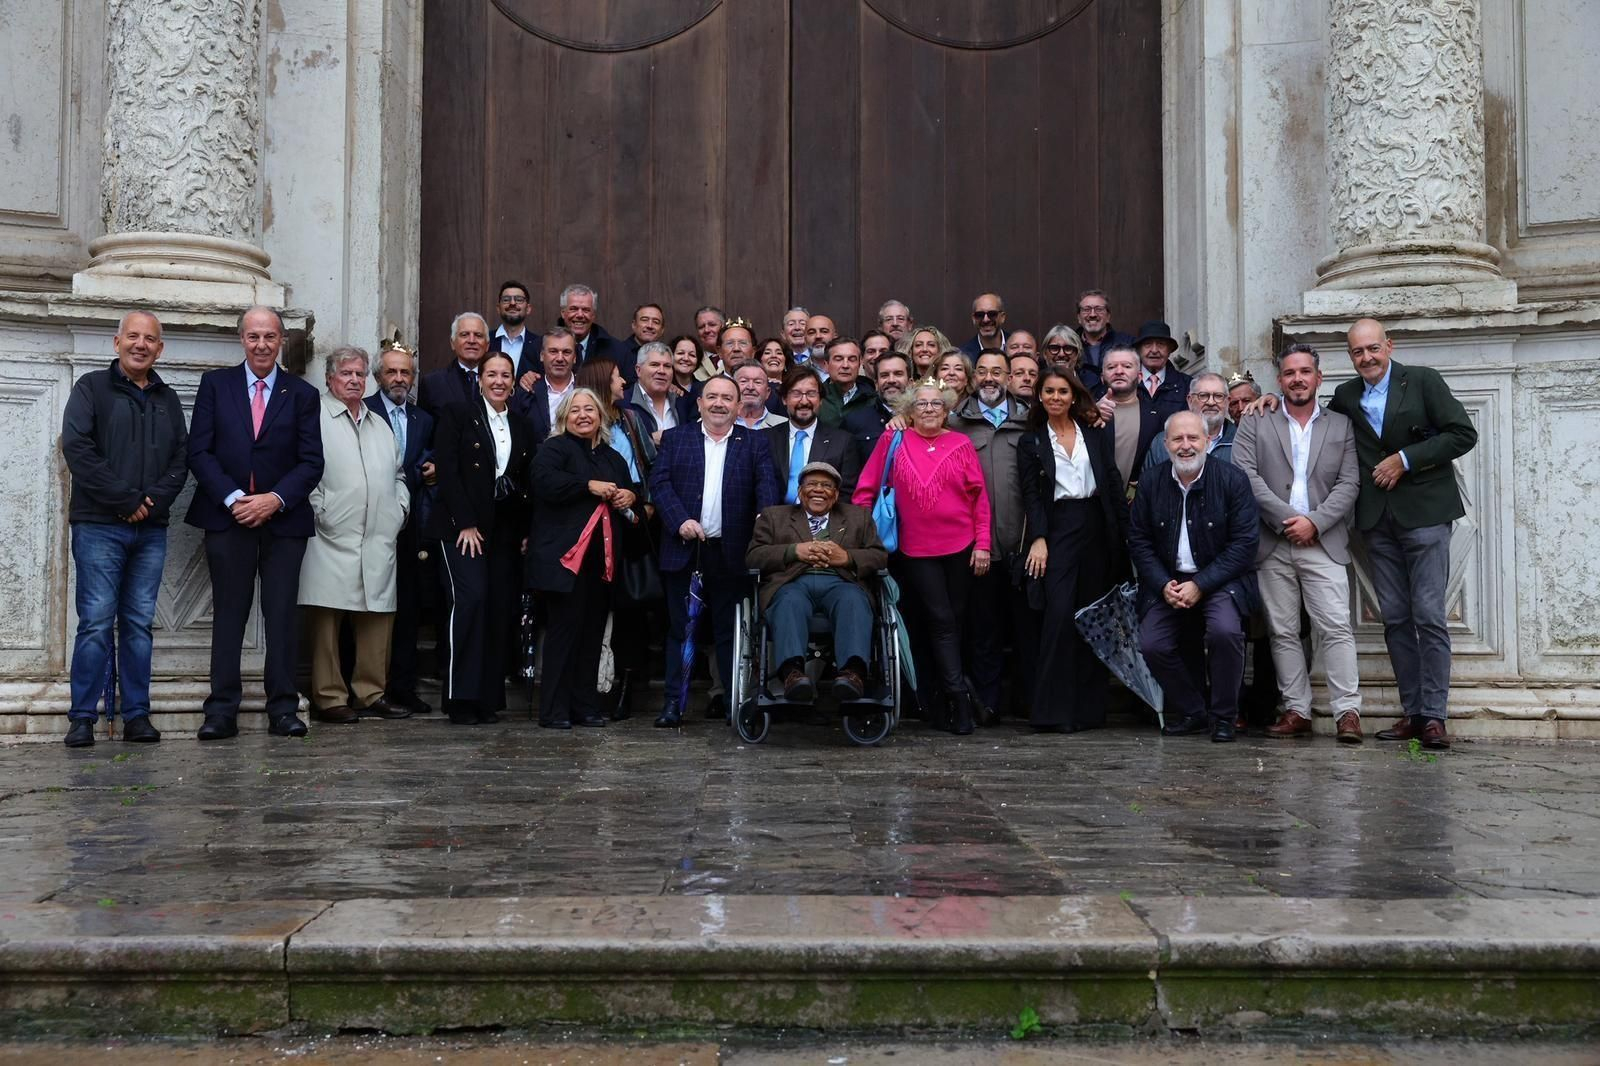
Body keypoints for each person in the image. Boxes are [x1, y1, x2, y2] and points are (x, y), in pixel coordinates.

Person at [1334, 317, 1476, 749]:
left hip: (1426, 515)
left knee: (1429, 616)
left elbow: (1462, 434)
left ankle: (1435, 717)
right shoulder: (1344, 396)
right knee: (1395, 618)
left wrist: (1405, 459)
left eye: (1373, 349)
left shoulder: (1423, 381)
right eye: (1358, 352)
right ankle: (1412, 714)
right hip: (1376, 521)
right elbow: (1320, 434)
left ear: (1389, 346)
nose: (1367, 358)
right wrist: (1263, 403)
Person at [187, 306, 325, 740]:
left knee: (282, 615)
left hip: (283, 521)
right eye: (254, 337)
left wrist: (274, 499)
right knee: (229, 614)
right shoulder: (216, 385)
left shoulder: (302, 394)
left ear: (281, 340)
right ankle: (221, 711)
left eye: (270, 337)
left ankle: (283, 708)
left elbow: (311, 462)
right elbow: (199, 453)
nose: (262, 345)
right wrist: (234, 499)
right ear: (241, 340)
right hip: (227, 518)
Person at [60, 310, 189, 748]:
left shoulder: (167, 398)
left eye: (149, 338)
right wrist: (127, 500)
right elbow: (78, 450)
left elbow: (180, 460)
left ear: (159, 348)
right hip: (99, 527)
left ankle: (137, 716)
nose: (140, 344)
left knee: (138, 625)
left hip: (149, 531)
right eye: (132, 336)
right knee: (95, 623)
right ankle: (82, 718)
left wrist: (150, 502)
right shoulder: (91, 389)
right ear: (116, 343)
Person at [1233, 343, 1363, 743]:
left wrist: (1315, 523)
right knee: (1282, 631)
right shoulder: (1256, 420)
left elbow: (1349, 483)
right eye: (1290, 373)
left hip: (1323, 542)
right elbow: (1245, 474)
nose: (1298, 379)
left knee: (1336, 627)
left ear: (1318, 378)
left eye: (1305, 372)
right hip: (1274, 542)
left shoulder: (1340, 425)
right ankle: (1297, 710)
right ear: (1280, 379)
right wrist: (1289, 520)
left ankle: (1347, 712)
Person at [853, 381, 991, 734]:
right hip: (915, 550)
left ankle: (943, 699)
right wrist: (865, 539)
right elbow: (865, 491)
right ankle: (959, 701)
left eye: (935, 404)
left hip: (961, 546)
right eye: (921, 404)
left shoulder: (961, 443)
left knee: (953, 625)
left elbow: (979, 498)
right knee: (941, 620)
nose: (928, 409)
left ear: (946, 411)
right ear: (909, 412)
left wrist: (983, 544)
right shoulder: (893, 440)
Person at [648, 375, 781, 726]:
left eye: (727, 398)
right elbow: (659, 484)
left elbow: (767, 487)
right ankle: (673, 705)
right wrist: (679, 521)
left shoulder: (755, 443)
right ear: (699, 403)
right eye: (712, 397)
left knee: (729, 631)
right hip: (684, 548)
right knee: (681, 630)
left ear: (739, 406)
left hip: (731, 551)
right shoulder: (677, 439)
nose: (719, 403)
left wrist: (762, 521)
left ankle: (732, 704)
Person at [1129, 411, 1259, 743]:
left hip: (1220, 580)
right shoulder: (1151, 481)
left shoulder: (1232, 479)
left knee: (1225, 632)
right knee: (1152, 643)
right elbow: (1139, 540)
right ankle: (1193, 711)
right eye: (1178, 439)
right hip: (1168, 581)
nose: (1185, 446)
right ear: (1165, 443)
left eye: (1193, 438)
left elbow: (1244, 544)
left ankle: (1224, 717)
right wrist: (1161, 584)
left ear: (1206, 441)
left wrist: (1201, 584)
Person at [297, 346, 411, 725]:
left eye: (360, 374)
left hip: (379, 534)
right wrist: (320, 508)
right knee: (327, 617)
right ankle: (329, 697)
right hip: (329, 534)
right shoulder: (315, 416)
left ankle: (371, 692)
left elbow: (398, 476)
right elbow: (304, 468)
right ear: (329, 378)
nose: (353, 380)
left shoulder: (379, 423)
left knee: (377, 615)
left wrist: (399, 511)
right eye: (346, 373)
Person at [425, 350, 533, 725]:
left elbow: (523, 482)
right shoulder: (458, 414)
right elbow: (449, 472)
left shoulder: (521, 424)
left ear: (514, 382)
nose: (499, 381)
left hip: (504, 531)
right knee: (470, 601)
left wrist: (524, 532)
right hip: (462, 529)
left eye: (506, 375)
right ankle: (460, 697)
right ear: (480, 379)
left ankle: (487, 699)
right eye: (492, 374)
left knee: (498, 609)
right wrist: (465, 522)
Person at [1018, 365, 1128, 731]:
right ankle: (1053, 712)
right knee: (1059, 615)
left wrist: (1123, 534)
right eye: (1048, 391)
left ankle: (1089, 711)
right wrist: (1039, 538)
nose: (1055, 398)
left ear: (1073, 395)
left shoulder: (1095, 433)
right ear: (1039, 396)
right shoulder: (1031, 441)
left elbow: (1111, 481)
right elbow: (1031, 496)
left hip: (1096, 525)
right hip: (1059, 527)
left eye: (1062, 392)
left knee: (1092, 616)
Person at [527, 388, 639, 729]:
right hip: (565, 561)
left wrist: (629, 495)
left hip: (601, 561)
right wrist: (588, 485)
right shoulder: (554, 449)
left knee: (593, 635)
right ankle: (554, 710)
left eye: (589, 409)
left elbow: (634, 496)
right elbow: (544, 482)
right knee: (564, 634)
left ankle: (585, 706)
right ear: (564, 417)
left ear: (600, 417)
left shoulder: (612, 457)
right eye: (575, 410)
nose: (583, 415)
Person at [747, 462, 887, 701]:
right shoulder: (774, 516)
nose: (819, 490)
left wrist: (848, 557)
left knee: (853, 599)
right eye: (812, 484)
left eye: (826, 485)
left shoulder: (858, 517)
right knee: (789, 601)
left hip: (840, 583)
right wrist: (793, 551)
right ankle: (792, 674)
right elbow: (754, 556)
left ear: (836, 493)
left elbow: (880, 556)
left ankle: (852, 674)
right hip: (793, 582)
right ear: (800, 491)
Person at [949, 350, 1034, 720]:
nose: (989, 378)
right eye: (982, 371)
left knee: (1026, 628)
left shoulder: (1030, 421)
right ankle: (987, 703)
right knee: (983, 631)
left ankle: (1028, 703)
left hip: (1023, 545)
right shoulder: (956, 423)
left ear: (1010, 377)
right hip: (976, 547)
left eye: (997, 372)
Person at [576, 356, 659, 720]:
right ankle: (591, 689)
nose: (623, 381)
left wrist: (642, 500)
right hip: (591, 529)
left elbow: (652, 465)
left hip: (630, 527)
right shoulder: (577, 422)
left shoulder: (631, 418)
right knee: (593, 610)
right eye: (616, 377)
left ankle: (623, 690)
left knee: (630, 612)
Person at [366, 339, 435, 715]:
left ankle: (403, 687)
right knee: (369, 606)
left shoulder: (423, 419)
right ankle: (363, 687)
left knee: (408, 606)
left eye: (405, 372)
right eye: (391, 371)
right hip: (371, 520)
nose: (398, 378)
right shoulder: (364, 411)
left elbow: (428, 456)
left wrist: (432, 466)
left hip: (411, 527)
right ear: (378, 376)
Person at [768, 365, 862, 501]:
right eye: (796, 394)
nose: (804, 401)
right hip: (775, 519)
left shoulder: (843, 442)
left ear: (821, 400)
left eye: (811, 394)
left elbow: (846, 494)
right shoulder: (767, 438)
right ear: (784, 399)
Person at [1142, 372, 1237, 471]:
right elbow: (1149, 483)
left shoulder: (1241, 441)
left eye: (1218, 396)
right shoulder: (1161, 442)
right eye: (1203, 395)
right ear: (1190, 401)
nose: (1211, 402)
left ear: (1227, 401)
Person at [1093, 344, 1152, 489]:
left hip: (1138, 505)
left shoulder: (1156, 416)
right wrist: (1091, 415)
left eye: (1127, 366)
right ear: (1102, 377)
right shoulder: (1087, 413)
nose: (1119, 371)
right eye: (1111, 367)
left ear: (1140, 377)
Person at [419, 312, 489, 417]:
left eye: (478, 335)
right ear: (453, 343)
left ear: (487, 345)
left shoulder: (500, 381)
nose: (471, 340)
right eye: (464, 335)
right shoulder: (433, 383)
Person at [514, 327, 577, 439]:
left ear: (575, 357)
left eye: (566, 352)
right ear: (542, 356)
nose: (560, 358)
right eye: (553, 351)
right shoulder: (526, 393)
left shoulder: (587, 389)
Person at [844, 350, 910, 456]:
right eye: (884, 375)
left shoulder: (923, 418)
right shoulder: (854, 420)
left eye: (898, 374)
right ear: (876, 383)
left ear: (911, 382)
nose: (891, 380)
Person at [1135, 320, 1191, 437]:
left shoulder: (1187, 385)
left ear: (1169, 350)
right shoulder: (1127, 384)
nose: (1154, 350)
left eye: (1161, 344)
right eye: (1148, 344)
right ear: (1139, 350)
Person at [627, 341, 689, 441]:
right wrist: (650, 441)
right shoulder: (624, 403)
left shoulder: (682, 402)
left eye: (667, 366)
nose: (661, 371)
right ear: (638, 370)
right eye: (654, 365)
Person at [818, 337, 876, 428]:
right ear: (826, 365)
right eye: (838, 359)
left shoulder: (873, 399)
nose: (845, 365)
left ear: (859, 363)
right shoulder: (817, 398)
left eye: (852, 359)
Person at [1075, 289, 1135, 377]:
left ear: (1108, 317)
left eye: (1099, 309)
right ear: (1079, 317)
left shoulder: (1128, 343)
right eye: (1086, 309)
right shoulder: (1069, 346)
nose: (1092, 315)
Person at [491, 280, 537, 380]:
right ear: (498, 308)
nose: (512, 303)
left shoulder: (539, 344)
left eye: (519, 300)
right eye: (506, 299)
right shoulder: (485, 340)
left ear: (528, 309)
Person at [733, 363, 788, 430]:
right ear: (732, 389)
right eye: (743, 381)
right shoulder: (721, 423)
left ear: (767, 393)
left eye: (758, 382)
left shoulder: (784, 425)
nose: (750, 387)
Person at [622, 302, 666, 381]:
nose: (650, 326)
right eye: (644, 320)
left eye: (656, 322)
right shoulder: (619, 353)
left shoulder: (666, 356)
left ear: (662, 330)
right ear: (634, 325)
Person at [1040, 324, 1090, 390]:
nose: (1061, 354)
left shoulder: (1092, 383)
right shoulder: (1036, 382)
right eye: (1054, 348)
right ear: (1045, 354)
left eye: (1068, 348)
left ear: (1077, 353)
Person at [959, 293, 1007, 358]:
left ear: (1002, 317)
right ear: (974, 318)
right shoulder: (964, 356)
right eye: (980, 315)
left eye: (992, 314)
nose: (986, 320)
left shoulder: (1016, 347)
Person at [757, 337, 793, 412]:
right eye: (767, 353)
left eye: (779, 353)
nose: (773, 356)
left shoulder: (794, 387)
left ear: (786, 361)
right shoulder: (752, 387)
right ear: (759, 361)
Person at [693, 307, 726, 379]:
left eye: (712, 325)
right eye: (701, 327)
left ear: (723, 326)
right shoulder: (692, 360)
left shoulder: (734, 356)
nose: (706, 330)